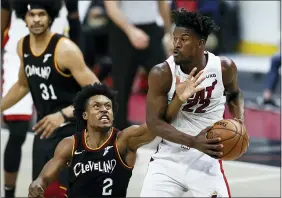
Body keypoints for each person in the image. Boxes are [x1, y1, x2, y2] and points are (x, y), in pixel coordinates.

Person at [28, 71, 209, 198]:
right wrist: (37, 184)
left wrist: (178, 99)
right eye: (97, 107)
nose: (104, 110)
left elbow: (157, 126)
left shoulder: (124, 141)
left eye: (108, 107)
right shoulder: (70, 144)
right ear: (84, 115)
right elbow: (44, 178)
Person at [141, 9, 245, 197]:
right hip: (168, 158)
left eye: (184, 39)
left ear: (200, 43)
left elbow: (235, 95)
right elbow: (155, 123)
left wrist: (239, 121)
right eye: (175, 38)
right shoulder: (162, 73)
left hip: (206, 158)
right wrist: (179, 100)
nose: (176, 44)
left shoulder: (223, 68)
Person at [0, 0, 99, 197]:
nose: (36, 19)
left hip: (72, 130)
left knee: (64, 192)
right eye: (32, 15)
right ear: (24, 19)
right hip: (44, 131)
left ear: (51, 17)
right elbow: (22, 84)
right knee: (38, 191)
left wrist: (62, 115)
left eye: (41, 15)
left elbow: (98, 93)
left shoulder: (65, 50)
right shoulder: (23, 46)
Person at [104, 1, 172, 129]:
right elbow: (111, 8)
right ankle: (118, 130)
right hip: (122, 30)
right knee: (122, 84)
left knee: (164, 81)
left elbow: (162, 3)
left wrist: (170, 32)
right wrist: (130, 31)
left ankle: (164, 127)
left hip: (152, 28)